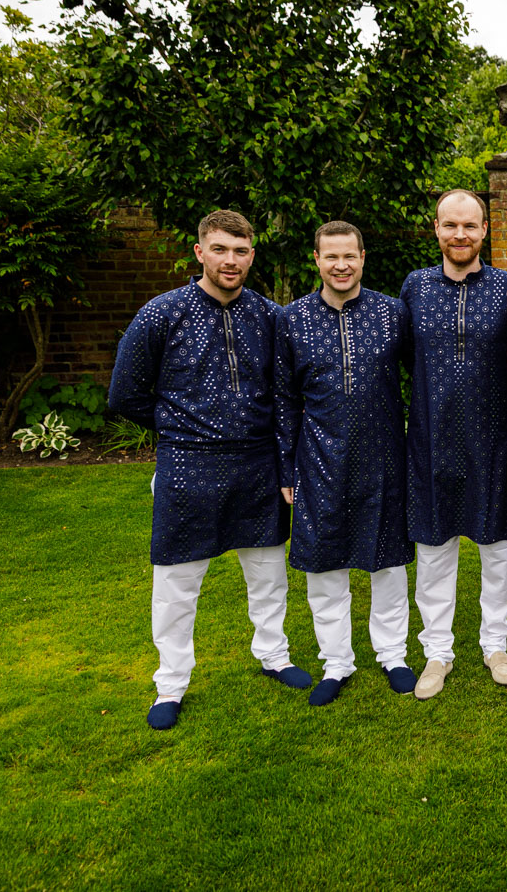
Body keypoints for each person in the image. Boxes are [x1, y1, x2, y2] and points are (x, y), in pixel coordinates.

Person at [109, 209, 308, 731]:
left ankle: (274, 655)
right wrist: (182, 427)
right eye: (220, 249)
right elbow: (125, 392)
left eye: (241, 251)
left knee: (267, 573)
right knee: (177, 582)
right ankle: (171, 683)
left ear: (251, 256)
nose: (231, 260)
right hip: (188, 466)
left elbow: (287, 393)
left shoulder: (270, 316)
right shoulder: (162, 312)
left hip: (257, 465)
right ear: (200, 252)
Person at [274, 221, 415, 707]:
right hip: (318, 459)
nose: (341, 265)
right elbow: (284, 399)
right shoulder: (291, 320)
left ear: (362, 257)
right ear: (316, 259)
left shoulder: (392, 313)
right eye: (331, 257)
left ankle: (393, 655)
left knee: (388, 565)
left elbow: (417, 378)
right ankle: (337, 662)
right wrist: (286, 468)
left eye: (349, 256)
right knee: (324, 567)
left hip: (383, 458)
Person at [401, 190, 507, 700]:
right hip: (431, 437)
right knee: (434, 551)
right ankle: (437, 651)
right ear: (436, 228)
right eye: (451, 225)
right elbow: (407, 359)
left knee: (499, 549)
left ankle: (495, 643)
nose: (460, 235)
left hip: (495, 438)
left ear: (484, 230)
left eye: (470, 226)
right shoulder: (414, 287)